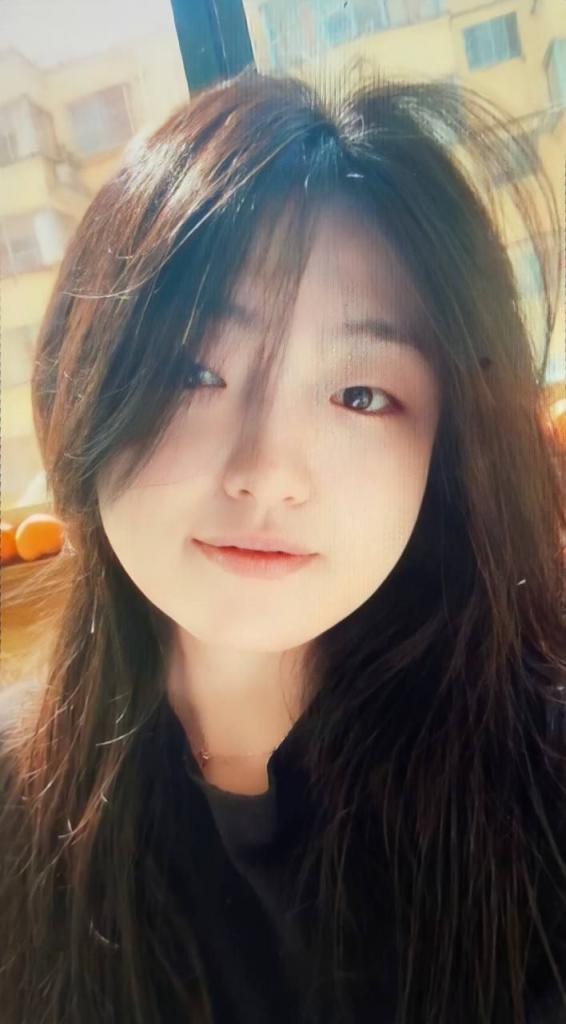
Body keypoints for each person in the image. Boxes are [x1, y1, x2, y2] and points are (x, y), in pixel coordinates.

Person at [0, 65, 565, 1024]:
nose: (267, 471)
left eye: (359, 394)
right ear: (82, 386)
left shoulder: (542, 784)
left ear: (447, 451)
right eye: (193, 372)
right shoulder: (19, 800)